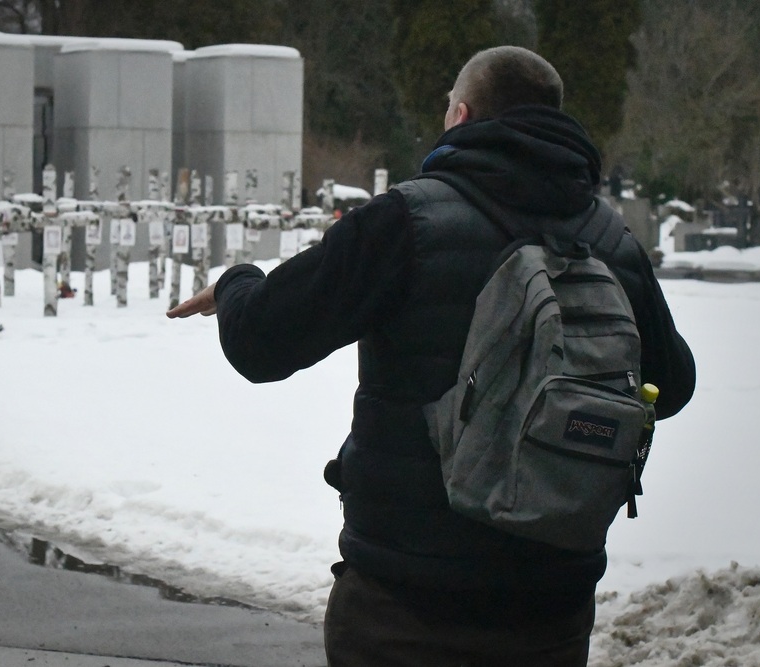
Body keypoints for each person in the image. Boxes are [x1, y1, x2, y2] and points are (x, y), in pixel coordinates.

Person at [167, 46, 695, 667]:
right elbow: (673, 384)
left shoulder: (406, 221)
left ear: (462, 116)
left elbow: (262, 341)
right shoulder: (612, 242)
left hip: (405, 605)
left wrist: (235, 284)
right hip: (551, 606)